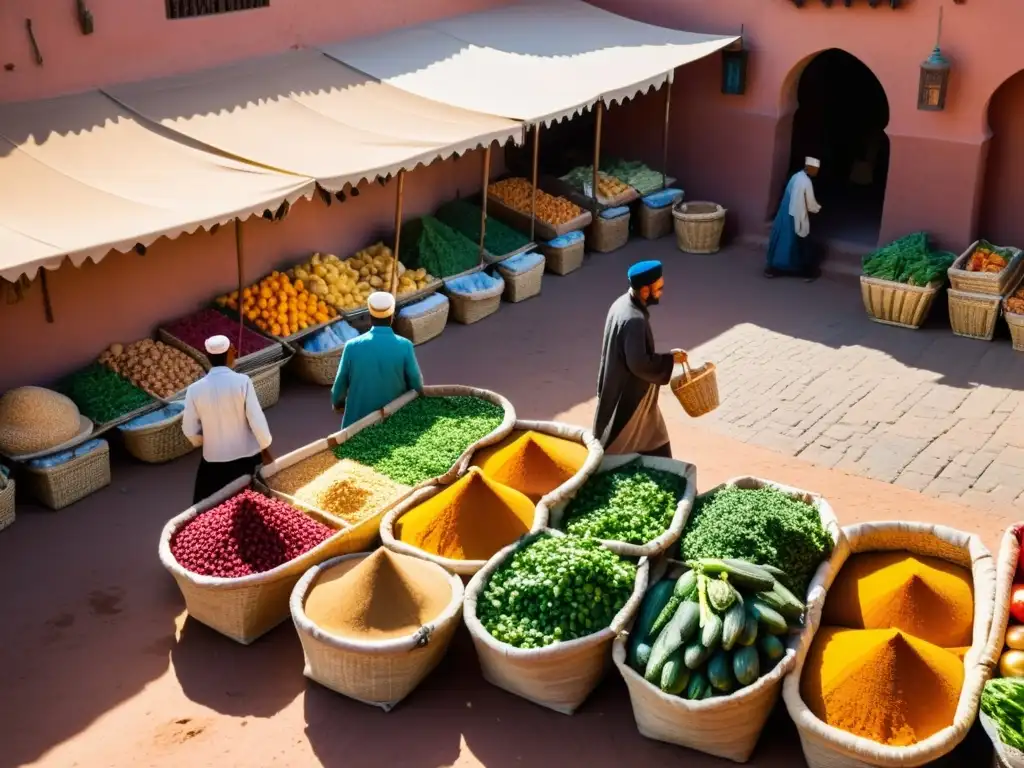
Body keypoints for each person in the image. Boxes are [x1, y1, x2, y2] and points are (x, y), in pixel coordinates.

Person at [593, 260, 688, 458]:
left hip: (625, 389)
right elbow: (639, 364)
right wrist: (669, 360)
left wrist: (669, 358)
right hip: (630, 397)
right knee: (615, 447)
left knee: (655, 436)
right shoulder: (634, 319)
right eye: (659, 287)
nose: (662, 291)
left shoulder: (620, 304)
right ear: (645, 290)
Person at [182, 335, 274, 504]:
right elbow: (256, 420)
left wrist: (203, 441)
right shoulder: (242, 382)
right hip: (247, 459)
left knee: (214, 513)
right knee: (256, 508)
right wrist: (265, 445)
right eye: (233, 350)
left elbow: (188, 429)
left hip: (213, 462)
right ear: (229, 354)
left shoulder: (194, 390)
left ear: (207, 356)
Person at [331, 291, 424, 429]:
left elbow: (340, 385)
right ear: (392, 317)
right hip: (395, 419)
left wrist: (338, 403)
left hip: (356, 424)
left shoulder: (351, 346)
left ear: (370, 316)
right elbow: (416, 381)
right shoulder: (405, 346)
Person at [765, 156, 822, 281]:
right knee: (799, 243)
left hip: (785, 213)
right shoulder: (806, 182)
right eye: (816, 169)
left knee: (782, 240)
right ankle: (805, 272)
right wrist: (817, 209)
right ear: (811, 168)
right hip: (797, 215)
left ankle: (773, 269)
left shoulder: (796, 176)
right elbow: (810, 203)